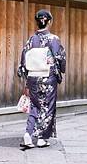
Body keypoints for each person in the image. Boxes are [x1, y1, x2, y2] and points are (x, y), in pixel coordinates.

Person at [17, 9, 66, 148]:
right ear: (49, 22)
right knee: (47, 107)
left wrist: (26, 76)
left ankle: (28, 134)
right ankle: (41, 138)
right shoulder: (53, 39)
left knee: (35, 105)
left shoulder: (31, 40)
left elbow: (23, 60)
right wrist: (61, 69)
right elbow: (60, 58)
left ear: (37, 22)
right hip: (47, 77)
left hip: (33, 77)